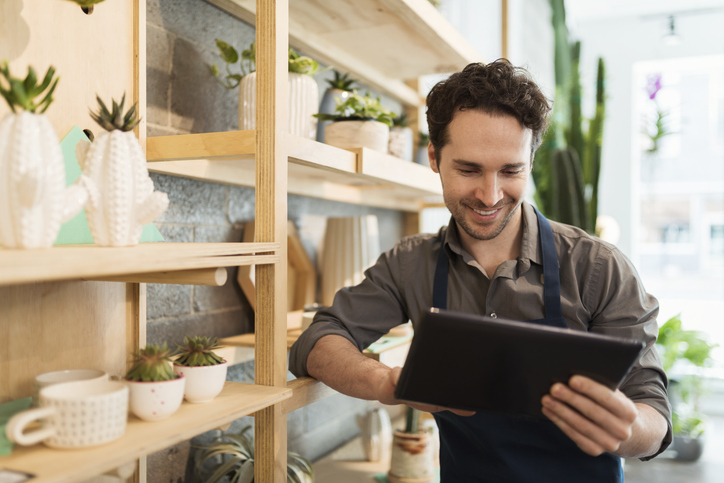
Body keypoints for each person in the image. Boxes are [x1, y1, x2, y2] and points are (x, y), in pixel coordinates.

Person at [289, 60, 671, 482]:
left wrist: (626, 427)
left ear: (530, 160)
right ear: (434, 157)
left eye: (511, 171)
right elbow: (318, 341)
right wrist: (386, 382)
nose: (490, 196)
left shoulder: (598, 266)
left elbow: (652, 415)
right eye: (468, 170)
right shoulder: (410, 264)